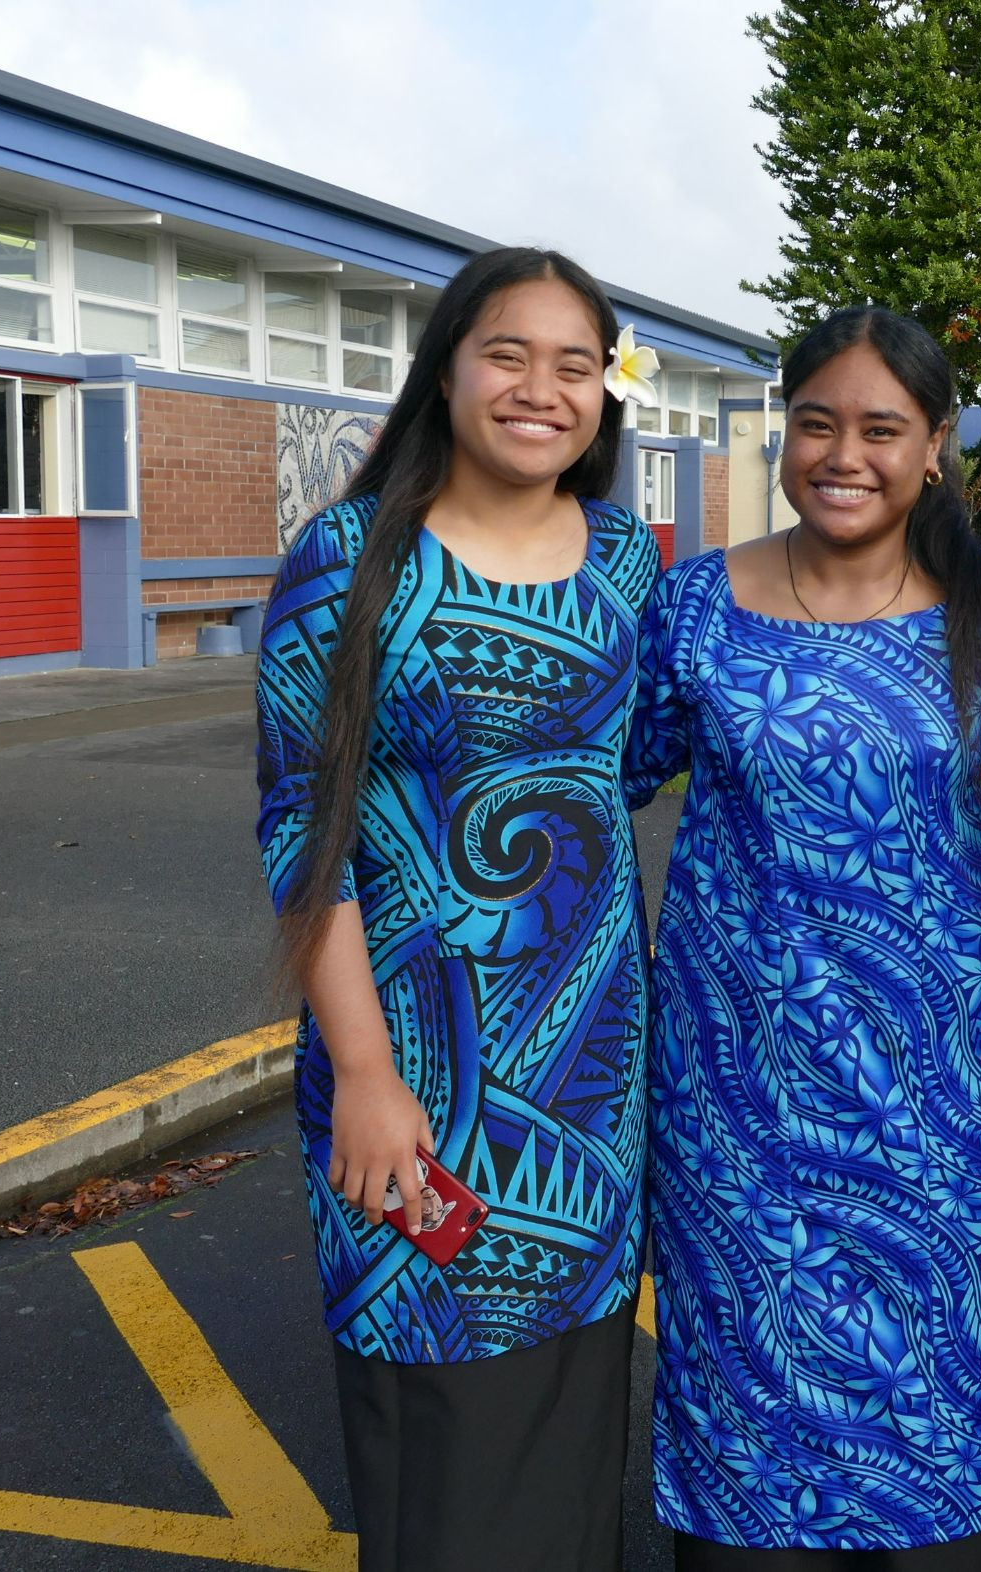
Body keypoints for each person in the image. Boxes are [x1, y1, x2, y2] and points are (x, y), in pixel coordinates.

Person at [254, 246, 660, 1571]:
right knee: (437, 1431)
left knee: (571, 1420)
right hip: (414, 1073)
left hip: (594, 1074)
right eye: (508, 354)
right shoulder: (349, 562)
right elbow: (300, 836)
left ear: (605, 390)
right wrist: (365, 1070)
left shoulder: (624, 565)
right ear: (448, 367)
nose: (542, 389)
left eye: (575, 364)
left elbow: (631, 766)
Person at [624, 305, 981, 1569]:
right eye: (816, 423)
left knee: (936, 1361)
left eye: (880, 428)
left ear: (933, 448)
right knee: (745, 1356)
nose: (842, 454)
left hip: (931, 1080)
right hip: (734, 1083)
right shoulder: (695, 604)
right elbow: (602, 779)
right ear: (781, 431)